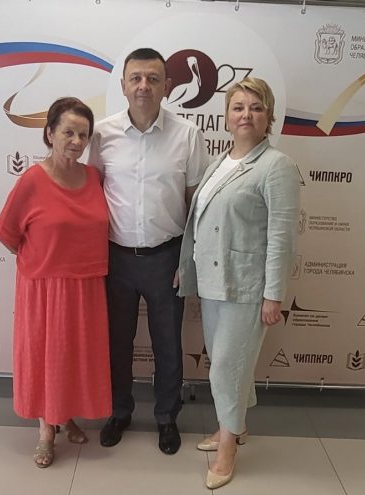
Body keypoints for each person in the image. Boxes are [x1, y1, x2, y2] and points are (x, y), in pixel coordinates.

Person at [178, 77, 300, 488]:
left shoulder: (276, 166)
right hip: (213, 283)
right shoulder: (218, 163)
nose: (246, 114)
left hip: (246, 288)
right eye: (238, 107)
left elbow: (281, 236)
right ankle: (235, 425)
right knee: (230, 364)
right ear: (227, 117)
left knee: (227, 368)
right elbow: (200, 223)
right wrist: (186, 267)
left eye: (256, 107)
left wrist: (273, 295)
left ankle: (228, 446)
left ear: (269, 117)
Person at [88, 48, 208, 455]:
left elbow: (196, 203)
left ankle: (167, 418)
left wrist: (187, 259)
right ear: (123, 85)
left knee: (168, 344)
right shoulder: (101, 134)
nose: (144, 86)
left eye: (153, 79)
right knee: (116, 342)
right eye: (136, 78)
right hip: (115, 259)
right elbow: (90, 196)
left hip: (166, 258)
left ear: (167, 86)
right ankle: (119, 411)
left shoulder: (187, 135)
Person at [0, 97, 111, 468]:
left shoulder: (94, 177)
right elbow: (7, 233)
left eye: (83, 135)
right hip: (45, 288)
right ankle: (46, 431)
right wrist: (41, 261)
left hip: (87, 286)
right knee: (47, 358)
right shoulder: (32, 179)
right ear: (49, 134)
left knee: (73, 358)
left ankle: (67, 416)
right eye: (68, 132)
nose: (76, 141)